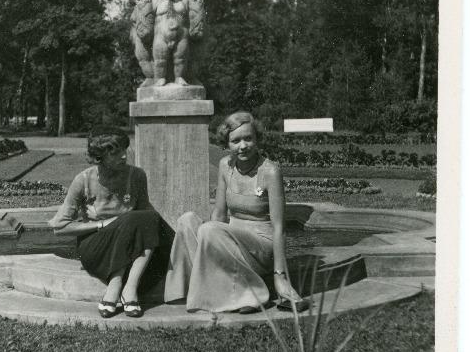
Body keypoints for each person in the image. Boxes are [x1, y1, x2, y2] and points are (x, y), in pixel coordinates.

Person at [164, 111, 304, 314]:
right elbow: (219, 214)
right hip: (229, 241)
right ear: (227, 144)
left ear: (257, 139)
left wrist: (280, 276)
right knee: (187, 220)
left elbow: (279, 227)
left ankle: (251, 294)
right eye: (236, 141)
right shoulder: (225, 166)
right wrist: (206, 239)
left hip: (260, 248)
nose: (243, 146)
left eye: (248, 138)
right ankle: (186, 288)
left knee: (211, 230)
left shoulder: (271, 171)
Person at [48, 127, 172, 318]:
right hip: (96, 245)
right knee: (131, 219)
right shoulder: (83, 180)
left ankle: (129, 288)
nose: (124, 156)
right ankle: (115, 285)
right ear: (99, 157)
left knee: (145, 217)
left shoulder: (137, 175)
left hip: (131, 243)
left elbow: (145, 212)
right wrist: (102, 224)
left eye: (124, 150)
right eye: (115, 153)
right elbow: (59, 227)